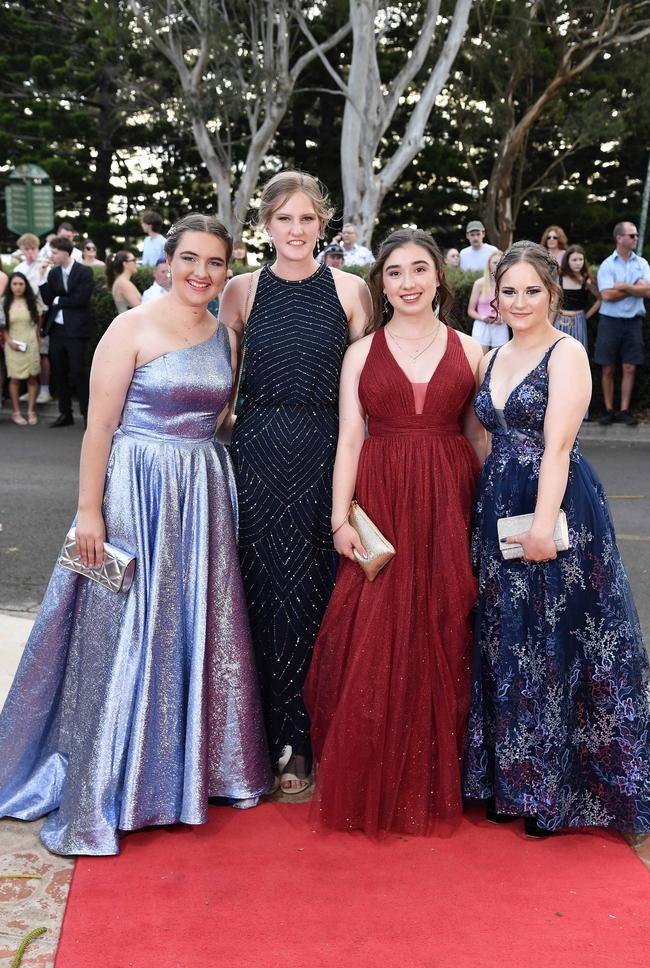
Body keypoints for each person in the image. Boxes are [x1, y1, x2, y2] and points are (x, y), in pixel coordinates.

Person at [0, 213, 273, 856]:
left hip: (202, 492)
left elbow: (222, 418)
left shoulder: (224, 335)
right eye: (190, 259)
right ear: (166, 262)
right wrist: (89, 514)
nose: (201, 273)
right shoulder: (130, 327)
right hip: (132, 492)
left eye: (214, 263)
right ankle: (107, 778)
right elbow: (99, 430)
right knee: (116, 633)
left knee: (191, 626)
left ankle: (184, 775)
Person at [463, 240, 650, 838]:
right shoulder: (494, 356)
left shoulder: (565, 352)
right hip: (499, 506)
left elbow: (559, 447)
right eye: (509, 290)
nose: (519, 301)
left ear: (554, 293)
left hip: (557, 505)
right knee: (505, 640)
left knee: (554, 640)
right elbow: (484, 441)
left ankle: (555, 791)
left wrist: (543, 524)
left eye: (532, 291)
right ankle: (511, 782)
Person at [304, 230, 486, 836]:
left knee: (442, 620)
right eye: (395, 273)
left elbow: (479, 439)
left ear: (440, 278)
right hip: (380, 498)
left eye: (419, 270)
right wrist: (339, 517)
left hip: (448, 499)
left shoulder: (472, 349)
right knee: (375, 623)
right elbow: (349, 440)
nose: (407, 283)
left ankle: (439, 776)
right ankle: (371, 772)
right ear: (382, 284)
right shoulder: (360, 353)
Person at [219, 170, 371, 794]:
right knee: (261, 588)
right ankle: (260, 736)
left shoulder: (353, 290)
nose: (296, 230)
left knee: (315, 589)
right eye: (285, 218)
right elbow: (222, 390)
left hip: (325, 450)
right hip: (256, 452)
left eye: (307, 219)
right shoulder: (239, 291)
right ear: (266, 225)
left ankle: (308, 738)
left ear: (323, 223)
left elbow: (367, 386)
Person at [596, 221, 650, 427]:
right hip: (610, 321)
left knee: (630, 367)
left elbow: (648, 292)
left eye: (636, 235)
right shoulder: (608, 265)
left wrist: (624, 286)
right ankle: (609, 410)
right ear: (619, 238)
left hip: (634, 322)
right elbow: (607, 295)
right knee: (607, 367)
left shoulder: (642, 264)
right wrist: (635, 287)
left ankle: (625, 410)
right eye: (632, 235)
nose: (635, 238)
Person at [39, 236, 95, 428]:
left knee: (78, 371)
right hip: (57, 329)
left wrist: (59, 300)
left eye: (54, 252)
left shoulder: (84, 271)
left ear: (65, 252)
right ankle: (65, 413)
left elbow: (82, 299)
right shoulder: (53, 274)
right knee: (59, 371)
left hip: (77, 330)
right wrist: (41, 277)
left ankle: (87, 414)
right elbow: (48, 299)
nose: (51, 256)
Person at [14, 233, 52, 402]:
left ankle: (45, 390)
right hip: (22, 317)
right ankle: (31, 390)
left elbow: (43, 294)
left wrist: (42, 272)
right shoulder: (19, 269)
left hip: (42, 315)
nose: (30, 252)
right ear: (21, 250)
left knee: (42, 353)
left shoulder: (45, 265)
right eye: (26, 249)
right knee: (27, 352)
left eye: (33, 248)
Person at [2, 273, 42, 425]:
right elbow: (2, 326)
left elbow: (39, 326)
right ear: (10, 286)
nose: (18, 287)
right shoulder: (4, 303)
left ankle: (31, 411)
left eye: (21, 284)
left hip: (31, 344)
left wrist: (37, 344)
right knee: (14, 379)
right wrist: (9, 341)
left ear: (25, 286)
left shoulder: (33, 303)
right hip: (12, 345)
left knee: (32, 378)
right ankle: (16, 412)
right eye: (15, 284)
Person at [553, 244, 600, 350]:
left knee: (578, 351)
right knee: (558, 351)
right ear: (567, 260)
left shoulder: (586, 279)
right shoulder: (560, 277)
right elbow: (555, 302)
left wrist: (586, 315)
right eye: (574, 260)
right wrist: (549, 324)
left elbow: (600, 299)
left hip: (578, 321)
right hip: (560, 320)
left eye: (580, 259)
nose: (578, 263)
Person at [467, 250, 510, 354]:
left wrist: (503, 318)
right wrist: (483, 318)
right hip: (482, 326)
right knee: (480, 358)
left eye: (500, 263)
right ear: (489, 265)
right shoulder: (479, 284)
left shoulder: (508, 284)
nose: (497, 265)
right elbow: (470, 310)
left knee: (499, 358)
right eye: (495, 263)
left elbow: (512, 308)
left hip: (500, 325)